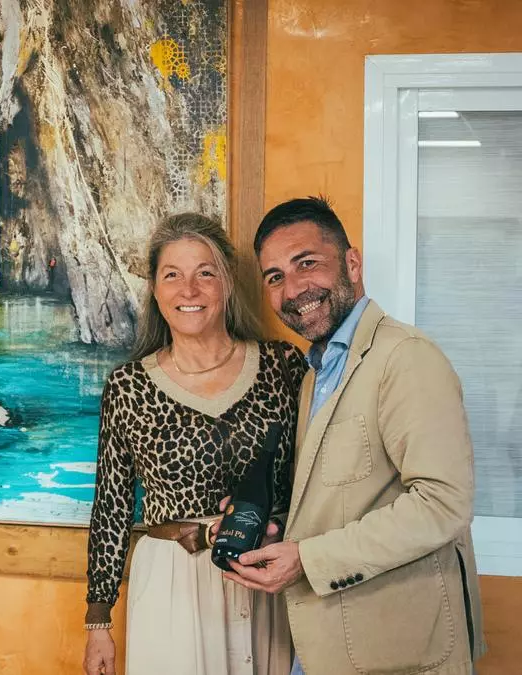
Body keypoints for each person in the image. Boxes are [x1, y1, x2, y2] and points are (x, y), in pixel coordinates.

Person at [224, 196, 486, 674]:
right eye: (275, 277)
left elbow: (443, 503)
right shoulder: (315, 375)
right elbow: (340, 498)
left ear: (352, 263)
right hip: (327, 648)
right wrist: (274, 526)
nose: (293, 289)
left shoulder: (405, 357)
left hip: (397, 652)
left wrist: (307, 559)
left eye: (307, 263)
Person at [84, 213, 306, 675]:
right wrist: (99, 620)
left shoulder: (282, 366)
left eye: (205, 273)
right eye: (172, 275)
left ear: (227, 282)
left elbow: (317, 472)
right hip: (172, 583)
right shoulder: (129, 386)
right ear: (155, 289)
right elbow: (111, 506)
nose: (189, 290)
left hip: (268, 573)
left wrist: (293, 539)